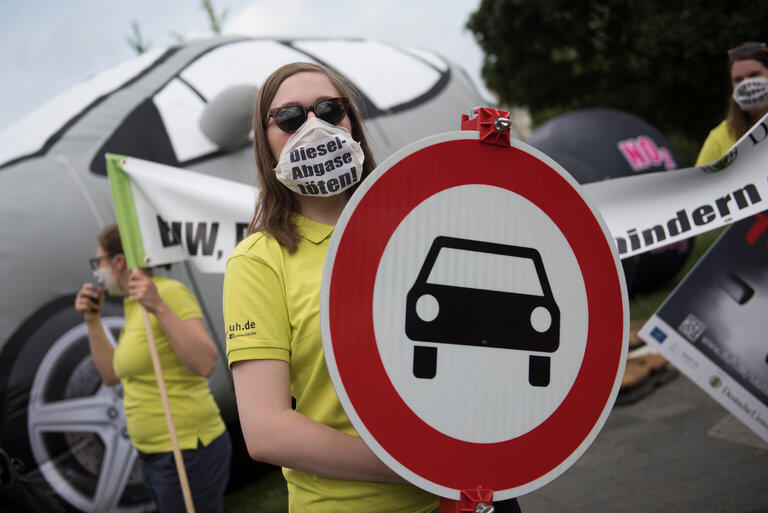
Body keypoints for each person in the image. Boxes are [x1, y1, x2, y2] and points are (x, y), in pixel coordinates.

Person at [223, 62, 523, 513]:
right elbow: (267, 431)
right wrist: (422, 464)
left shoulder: (415, 223)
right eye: (289, 117)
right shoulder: (258, 261)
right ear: (266, 143)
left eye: (329, 109)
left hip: (476, 493)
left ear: (352, 123)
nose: (314, 126)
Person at [74, 224, 231, 513]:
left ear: (118, 261)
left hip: (187, 451)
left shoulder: (168, 293)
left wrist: (158, 305)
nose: (97, 271)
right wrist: (91, 320)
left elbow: (205, 362)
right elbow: (110, 376)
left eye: (99, 262)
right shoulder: (133, 305)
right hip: (156, 456)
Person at [696, 41, 768, 165]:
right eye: (738, 79)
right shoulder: (719, 138)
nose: (747, 84)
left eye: (754, 75)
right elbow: (699, 183)